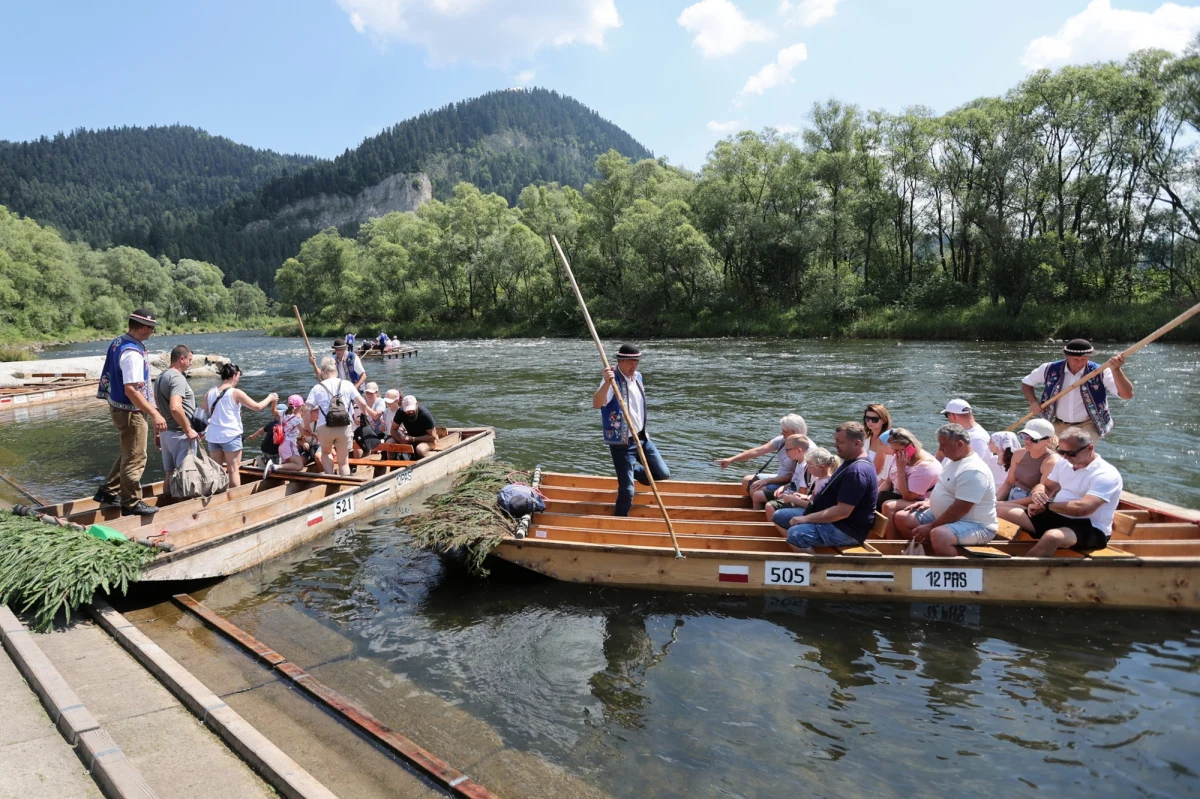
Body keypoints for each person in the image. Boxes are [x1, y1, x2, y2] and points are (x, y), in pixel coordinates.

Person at [1003, 427, 1123, 556]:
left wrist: (1047, 506)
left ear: (1090, 448)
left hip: (1091, 528)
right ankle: (995, 554)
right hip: (1057, 517)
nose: (1065, 457)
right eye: (1061, 451)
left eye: (1071, 453)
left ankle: (1022, 567)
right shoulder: (1064, 463)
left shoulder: (1105, 474)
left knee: (1052, 537)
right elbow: (1047, 487)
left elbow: (1083, 508)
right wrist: (1038, 493)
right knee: (998, 511)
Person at [95, 309, 167, 515]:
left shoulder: (119, 341)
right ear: (143, 328)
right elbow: (131, 390)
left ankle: (108, 491)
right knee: (136, 457)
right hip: (131, 412)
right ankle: (131, 503)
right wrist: (155, 414)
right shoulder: (132, 353)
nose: (153, 332)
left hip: (119, 407)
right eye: (152, 328)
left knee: (129, 452)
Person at [771, 422, 878, 552]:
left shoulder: (857, 471)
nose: (835, 445)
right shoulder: (850, 463)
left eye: (840, 442)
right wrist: (806, 499)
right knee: (779, 516)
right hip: (833, 520)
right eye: (835, 440)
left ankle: (814, 564)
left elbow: (842, 512)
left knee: (796, 534)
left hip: (846, 530)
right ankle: (804, 551)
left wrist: (805, 518)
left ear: (856, 443)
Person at [893, 423, 998, 555]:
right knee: (902, 518)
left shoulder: (973, 470)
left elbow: (960, 509)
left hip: (974, 524)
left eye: (943, 445)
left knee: (939, 534)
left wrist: (931, 526)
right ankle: (928, 555)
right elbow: (945, 488)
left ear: (959, 444)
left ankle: (953, 566)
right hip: (943, 515)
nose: (940, 450)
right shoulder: (952, 460)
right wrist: (929, 502)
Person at [592, 344, 671, 517]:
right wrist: (606, 382)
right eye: (630, 362)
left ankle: (628, 470)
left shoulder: (638, 377)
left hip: (642, 438)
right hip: (622, 442)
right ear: (619, 362)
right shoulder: (611, 380)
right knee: (627, 491)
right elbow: (596, 403)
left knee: (662, 473)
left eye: (636, 362)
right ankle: (619, 520)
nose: (633, 366)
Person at [1021, 338, 1134, 439]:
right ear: (1066, 356)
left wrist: (1116, 370)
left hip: (1089, 424)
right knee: (1049, 452)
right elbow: (1026, 383)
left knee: (1079, 450)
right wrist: (1033, 402)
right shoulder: (1049, 369)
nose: (1080, 363)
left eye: (1084, 359)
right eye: (1076, 359)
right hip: (1056, 422)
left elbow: (1127, 395)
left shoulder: (1100, 371)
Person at [202, 363, 278, 489]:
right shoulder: (235, 392)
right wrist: (270, 398)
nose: (238, 379)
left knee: (216, 470)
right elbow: (257, 407)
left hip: (213, 436)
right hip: (230, 436)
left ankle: (217, 495)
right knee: (233, 470)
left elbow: (202, 412)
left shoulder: (210, 392)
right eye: (238, 376)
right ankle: (234, 497)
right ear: (233, 376)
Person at [716, 414, 809, 509]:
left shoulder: (803, 449)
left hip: (790, 483)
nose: (782, 433)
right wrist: (731, 459)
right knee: (746, 480)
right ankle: (766, 505)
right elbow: (757, 451)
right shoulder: (782, 440)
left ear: (795, 432)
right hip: (780, 477)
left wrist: (767, 481)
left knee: (755, 489)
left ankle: (765, 509)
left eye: (785, 431)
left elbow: (795, 477)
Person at [307, 357, 382, 475]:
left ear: (323, 372)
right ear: (336, 370)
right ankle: (345, 480)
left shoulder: (318, 387)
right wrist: (364, 416)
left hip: (324, 427)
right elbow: (362, 403)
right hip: (344, 426)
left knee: (326, 453)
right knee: (343, 462)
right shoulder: (347, 384)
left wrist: (306, 427)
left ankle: (330, 478)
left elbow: (306, 409)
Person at [152, 344, 200, 498]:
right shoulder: (177, 377)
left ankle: (167, 503)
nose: (191, 363)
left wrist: (157, 432)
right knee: (185, 474)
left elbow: (157, 407)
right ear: (181, 359)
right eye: (190, 360)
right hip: (180, 435)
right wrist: (188, 429)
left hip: (166, 434)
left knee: (169, 473)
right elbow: (175, 407)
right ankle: (183, 506)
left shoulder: (161, 377)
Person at [876, 428, 942, 538]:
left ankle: (892, 543)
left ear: (911, 447)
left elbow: (908, 497)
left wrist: (901, 469)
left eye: (897, 450)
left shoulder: (924, 467)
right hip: (899, 494)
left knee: (888, 506)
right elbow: (888, 482)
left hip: (921, 500)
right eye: (893, 449)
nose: (894, 453)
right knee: (872, 499)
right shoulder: (899, 456)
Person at [996, 418, 1060, 505]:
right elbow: (1009, 482)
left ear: (1048, 441)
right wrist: (997, 500)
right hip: (1011, 500)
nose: (1027, 441)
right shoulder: (1018, 454)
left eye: (1034, 438)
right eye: (1025, 436)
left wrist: (1003, 505)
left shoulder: (1051, 462)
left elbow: (1041, 497)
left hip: (1030, 505)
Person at [763, 434, 813, 524]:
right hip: (790, 493)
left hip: (796, 499)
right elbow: (793, 482)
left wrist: (788, 496)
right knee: (757, 495)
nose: (786, 452)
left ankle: (772, 529)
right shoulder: (798, 463)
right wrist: (783, 487)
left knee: (769, 506)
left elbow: (802, 492)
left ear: (799, 450)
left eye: (788, 450)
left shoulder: (806, 467)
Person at [354, 382, 388, 456]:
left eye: (371, 393)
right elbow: (356, 420)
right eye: (367, 393)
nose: (369, 395)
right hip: (365, 432)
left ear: (376, 393)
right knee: (356, 447)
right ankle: (357, 462)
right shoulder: (363, 402)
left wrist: (364, 406)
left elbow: (376, 416)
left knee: (368, 446)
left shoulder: (380, 401)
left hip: (377, 433)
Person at [862, 403, 893, 478]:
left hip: (880, 480)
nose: (869, 422)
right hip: (865, 476)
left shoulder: (888, 442)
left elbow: (883, 472)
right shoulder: (866, 438)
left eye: (874, 420)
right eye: (867, 418)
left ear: (884, 420)